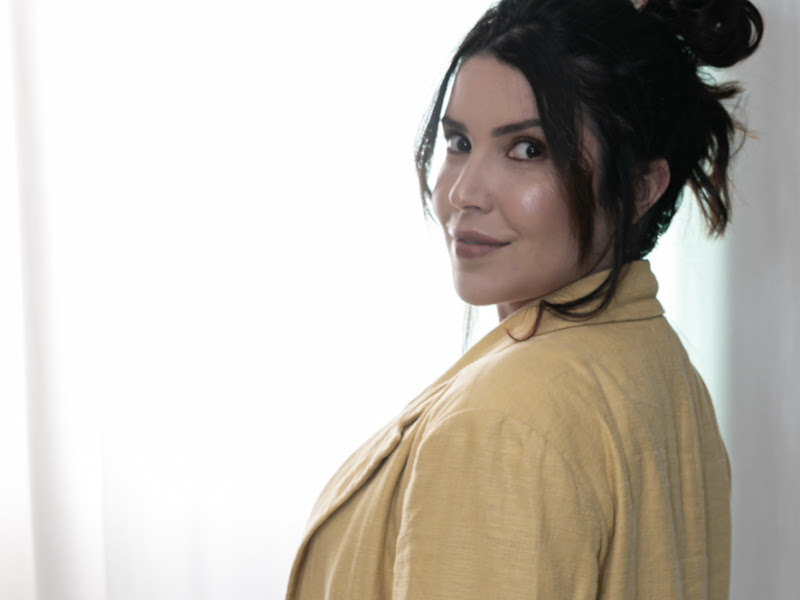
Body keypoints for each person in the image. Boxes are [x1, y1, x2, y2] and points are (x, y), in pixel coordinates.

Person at [285, 0, 763, 598]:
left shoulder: (500, 422)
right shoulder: (662, 370)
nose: (464, 192)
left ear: (640, 187)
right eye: (459, 141)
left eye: (528, 149)